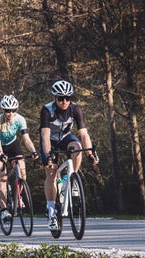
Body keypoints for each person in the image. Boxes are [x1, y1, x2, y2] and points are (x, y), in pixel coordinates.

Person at [40, 80, 99, 230]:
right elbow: (45, 136)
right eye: (61, 98)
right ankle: (52, 210)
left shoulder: (75, 110)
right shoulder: (47, 110)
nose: (64, 101)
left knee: (77, 147)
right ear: (55, 98)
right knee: (51, 172)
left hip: (66, 138)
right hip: (50, 141)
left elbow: (84, 134)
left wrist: (90, 153)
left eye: (67, 98)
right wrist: (48, 156)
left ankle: (70, 179)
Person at [0, 95, 39, 222]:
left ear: (16, 110)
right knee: (3, 176)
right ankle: (4, 209)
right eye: (7, 110)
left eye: (13, 110)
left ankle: (18, 196)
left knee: (22, 170)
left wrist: (33, 151)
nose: (10, 113)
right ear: (3, 110)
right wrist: (1, 154)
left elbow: (26, 139)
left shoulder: (20, 119)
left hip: (12, 145)